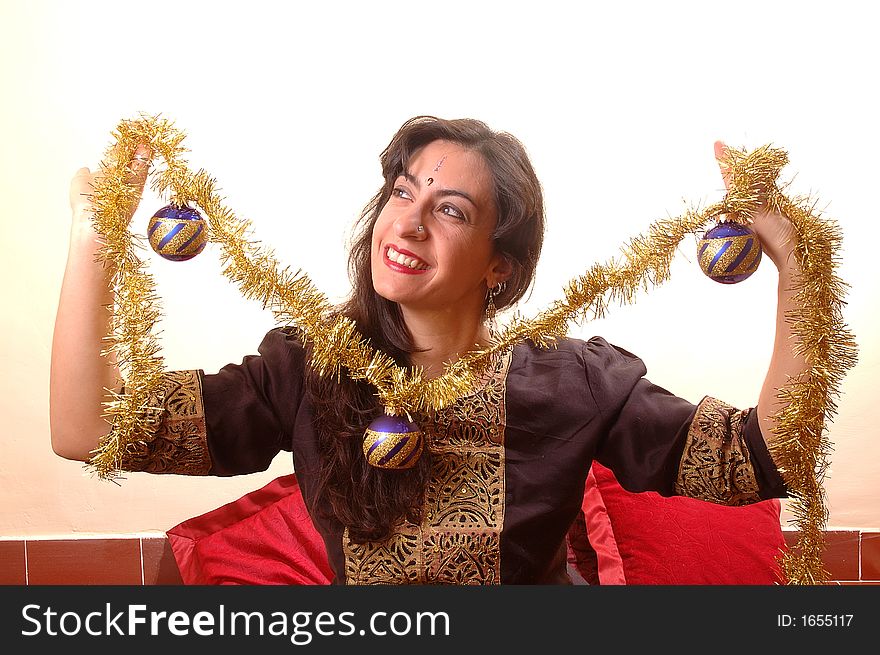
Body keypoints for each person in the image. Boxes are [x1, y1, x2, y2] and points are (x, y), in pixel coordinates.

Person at [50, 116, 803, 584]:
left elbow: (758, 459)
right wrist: (95, 233)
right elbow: (88, 429)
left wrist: (797, 268)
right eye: (402, 193)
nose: (407, 224)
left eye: (450, 210)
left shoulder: (572, 379)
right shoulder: (311, 370)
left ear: (499, 264)